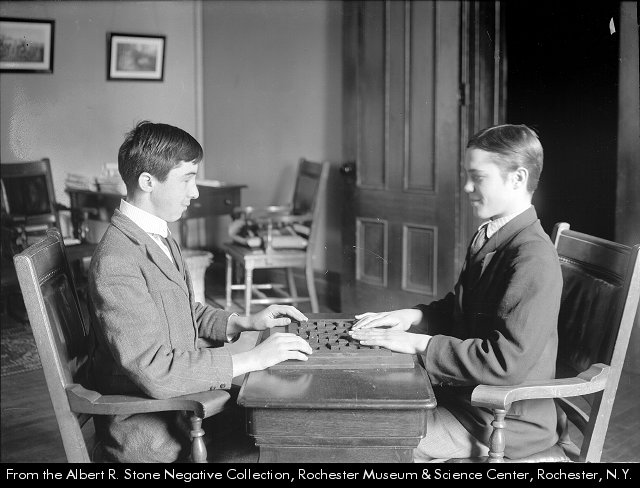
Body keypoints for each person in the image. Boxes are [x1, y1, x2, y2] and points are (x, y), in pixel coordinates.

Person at [86, 120, 312, 462]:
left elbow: (183, 311)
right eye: (187, 179)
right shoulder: (117, 260)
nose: (194, 192)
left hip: (186, 409)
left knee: (290, 422)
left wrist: (245, 322)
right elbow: (154, 370)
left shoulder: (156, 235)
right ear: (147, 182)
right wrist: (252, 359)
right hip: (156, 434)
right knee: (289, 441)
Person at [349, 124, 562, 461]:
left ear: (517, 178)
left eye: (478, 177)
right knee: (359, 412)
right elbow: (461, 308)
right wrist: (411, 317)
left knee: (370, 444)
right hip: (468, 400)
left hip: (500, 419)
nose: (467, 187)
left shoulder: (533, 257)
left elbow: (504, 363)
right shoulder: (492, 236)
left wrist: (419, 343)